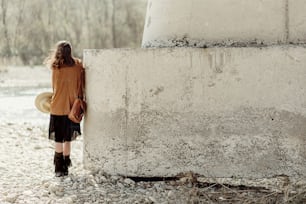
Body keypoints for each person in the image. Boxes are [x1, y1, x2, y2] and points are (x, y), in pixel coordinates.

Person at [45, 41, 85, 177]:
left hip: (56, 107)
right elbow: (81, 83)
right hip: (71, 108)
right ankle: (66, 165)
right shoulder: (78, 66)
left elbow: (54, 88)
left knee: (58, 139)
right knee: (67, 139)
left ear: (58, 52)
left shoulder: (55, 66)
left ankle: (58, 168)